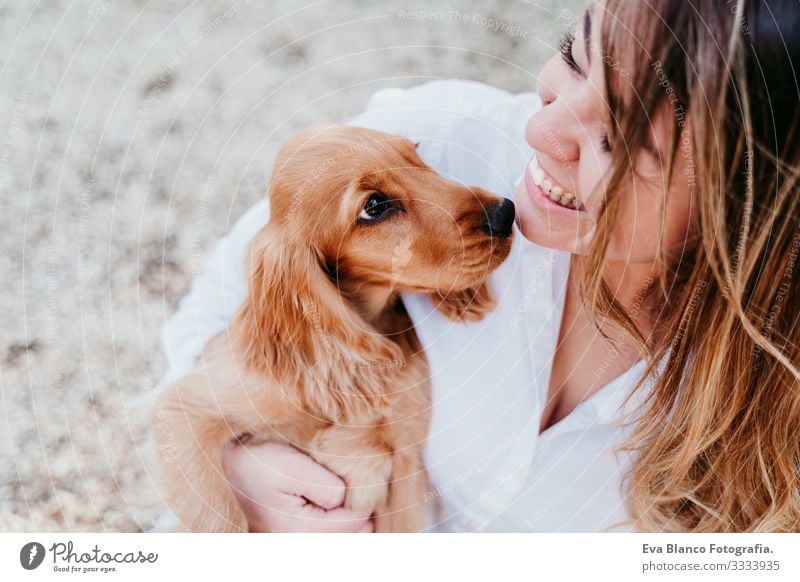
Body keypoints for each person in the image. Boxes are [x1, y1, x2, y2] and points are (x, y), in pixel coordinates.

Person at [156, 0, 800, 532]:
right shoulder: (445, 138)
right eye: (574, 57)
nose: (543, 130)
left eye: (615, 141)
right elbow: (218, 311)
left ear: (739, 208)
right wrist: (243, 470)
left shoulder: (768, 389)